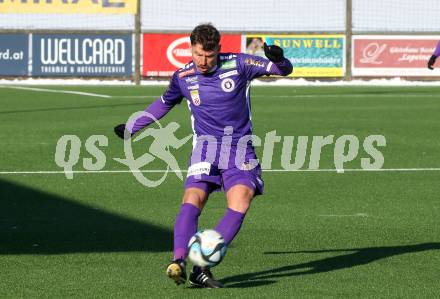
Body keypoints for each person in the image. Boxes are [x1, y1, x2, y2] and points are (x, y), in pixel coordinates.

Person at [114, 23, 293, 288]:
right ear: (191, 49)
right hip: (205, 148)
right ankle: (178, 261)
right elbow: (164, 103)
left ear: (218, 50)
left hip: (239, 148)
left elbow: (282, 70)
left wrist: (279, 59)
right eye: (198, 54)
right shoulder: (183, 76)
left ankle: (202, 265)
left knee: (241, 201)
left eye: (209, 56)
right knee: (192, 198)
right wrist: (133, 127)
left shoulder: (239, 63)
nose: (203, 61)